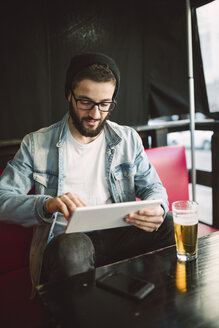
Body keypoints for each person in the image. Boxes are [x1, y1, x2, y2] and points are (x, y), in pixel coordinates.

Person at [0, 52, 175, 296]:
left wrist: (158, 207)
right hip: (69, 242)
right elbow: (2, 199)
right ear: (69, 95)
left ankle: (160, 309)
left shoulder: (127, 139)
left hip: (119, 234)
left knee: (169, 222)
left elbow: (154, 188)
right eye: (85, 102)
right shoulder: (36, 144)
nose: (95, 114)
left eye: (105, 104)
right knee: (71, 248)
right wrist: (47, 204)